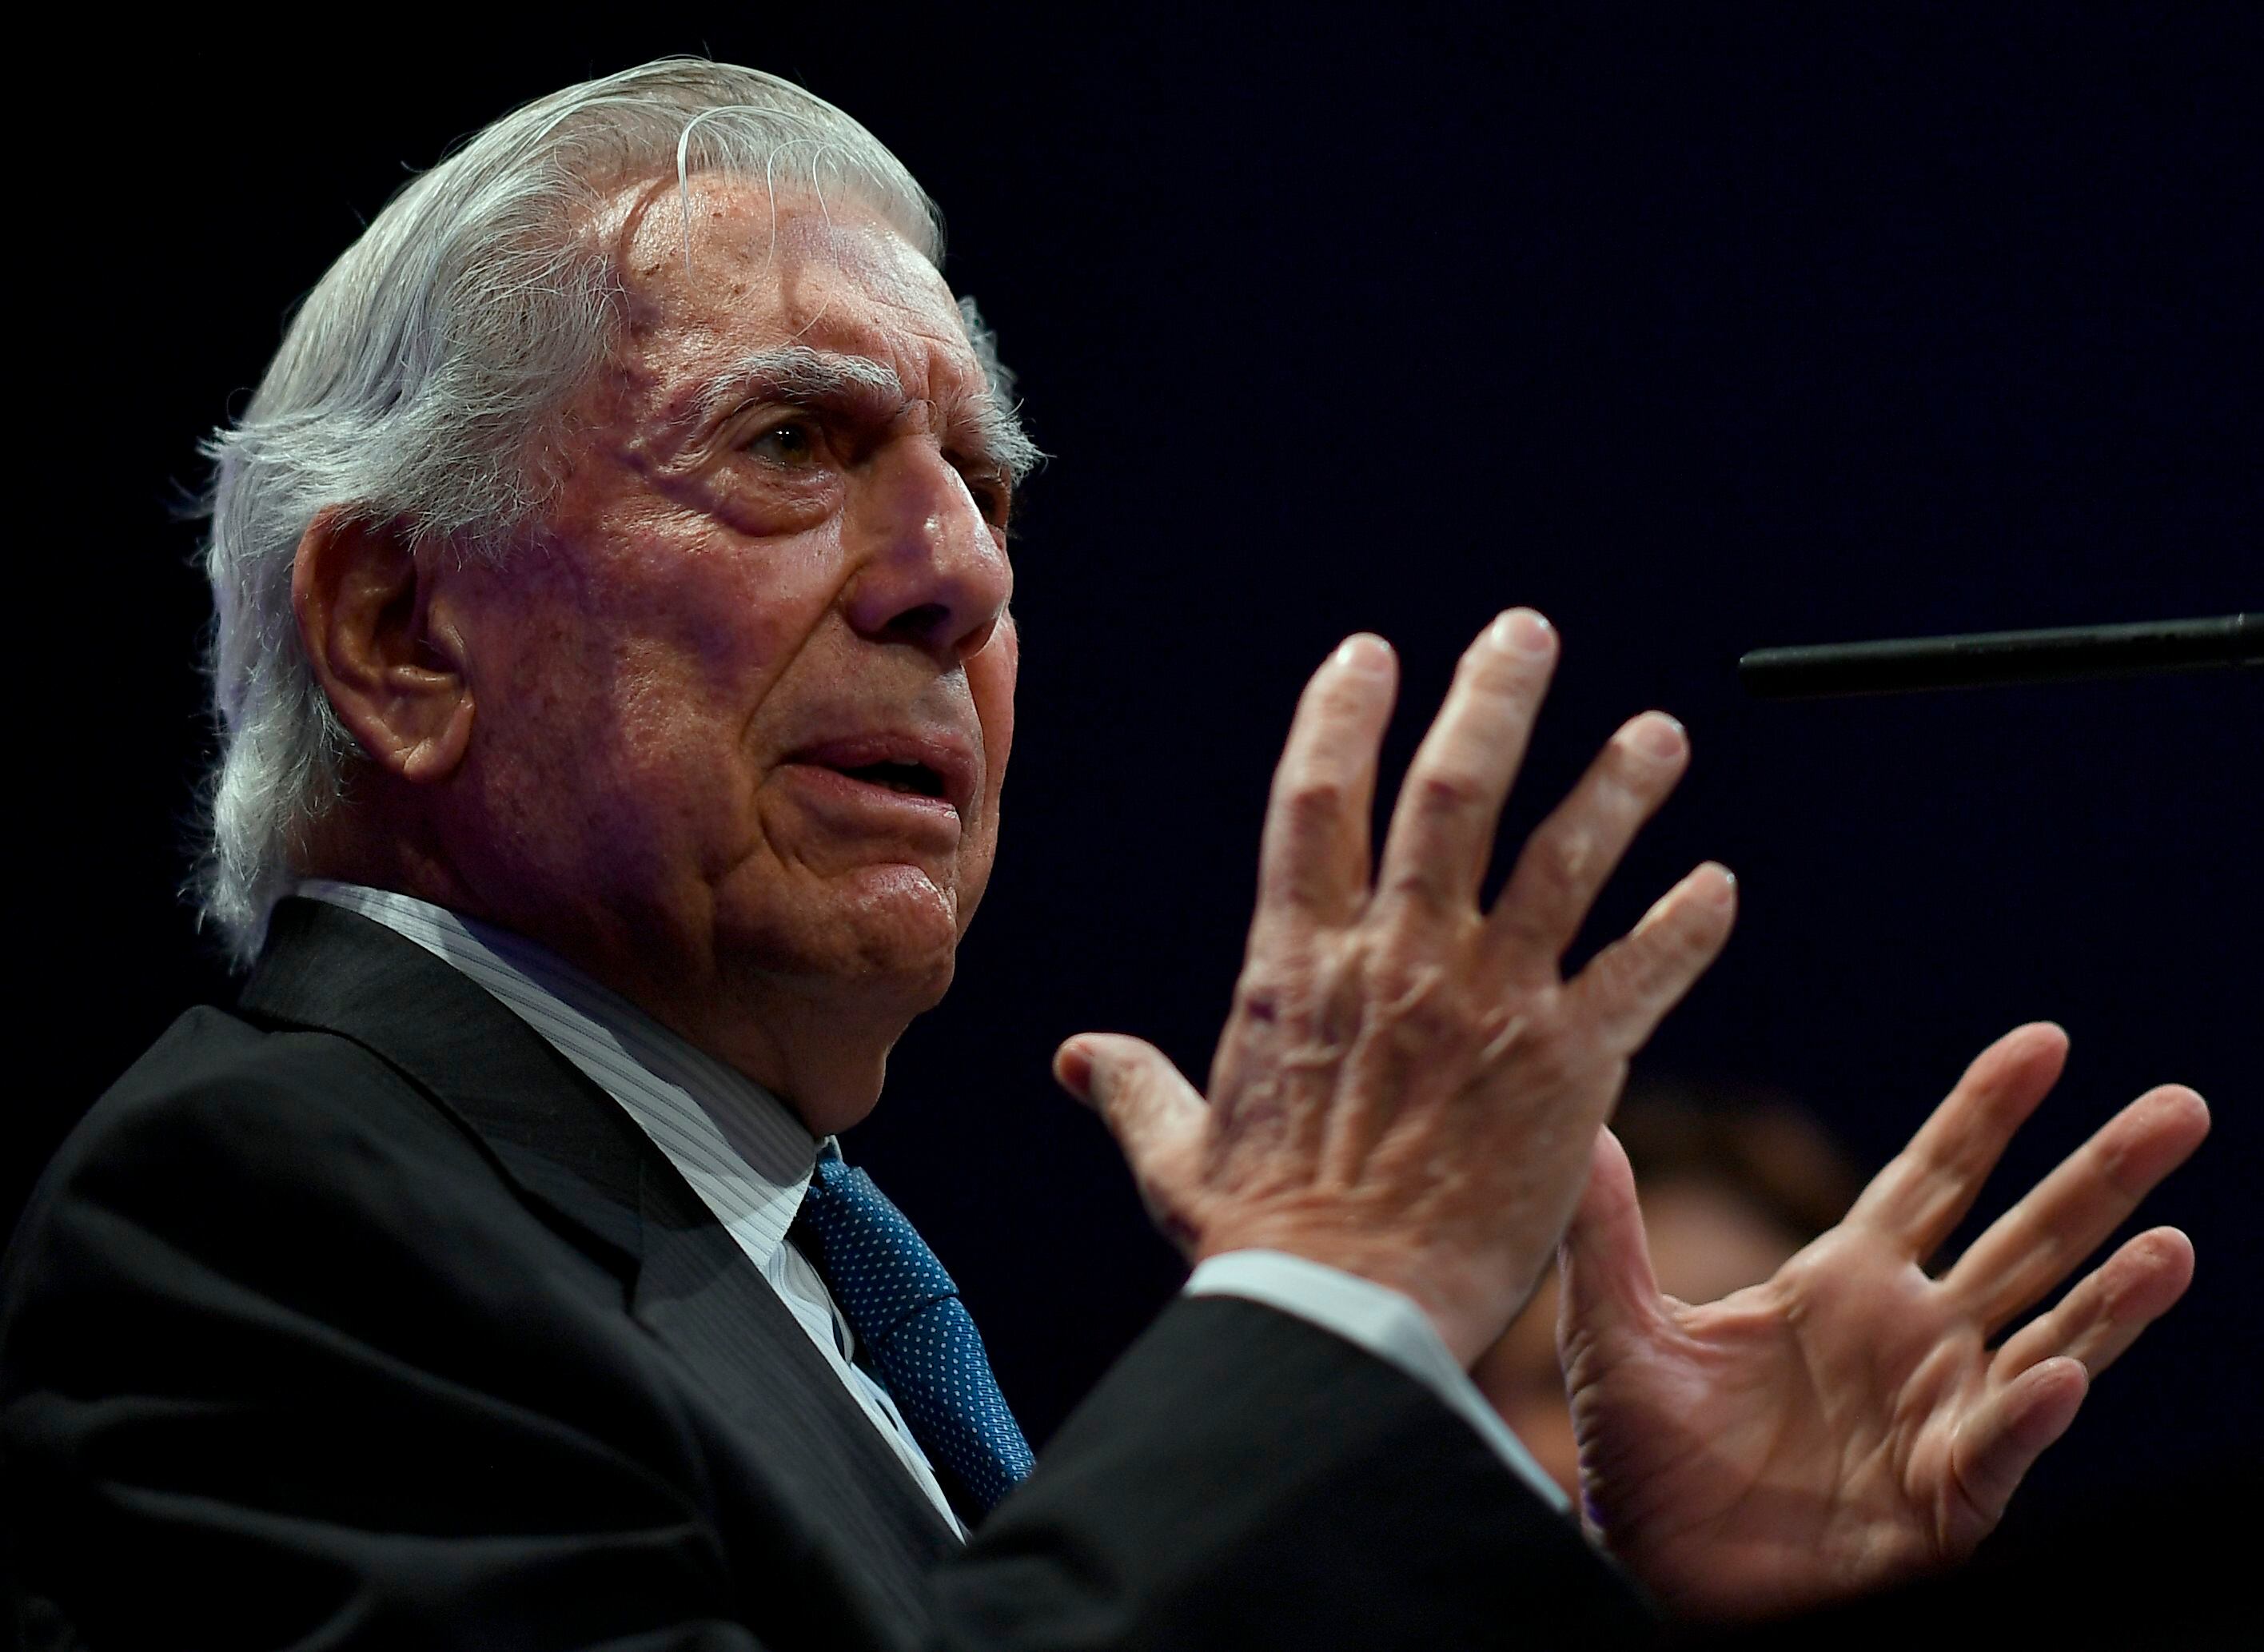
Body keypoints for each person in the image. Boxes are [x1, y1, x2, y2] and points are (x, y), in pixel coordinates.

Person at [0, 58, 2210, 1650]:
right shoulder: (268, 1208)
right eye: (796, 444)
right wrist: (1338, 1293)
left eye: (985, 487)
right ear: (401, 631)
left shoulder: (776, 1270)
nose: (955, 574)